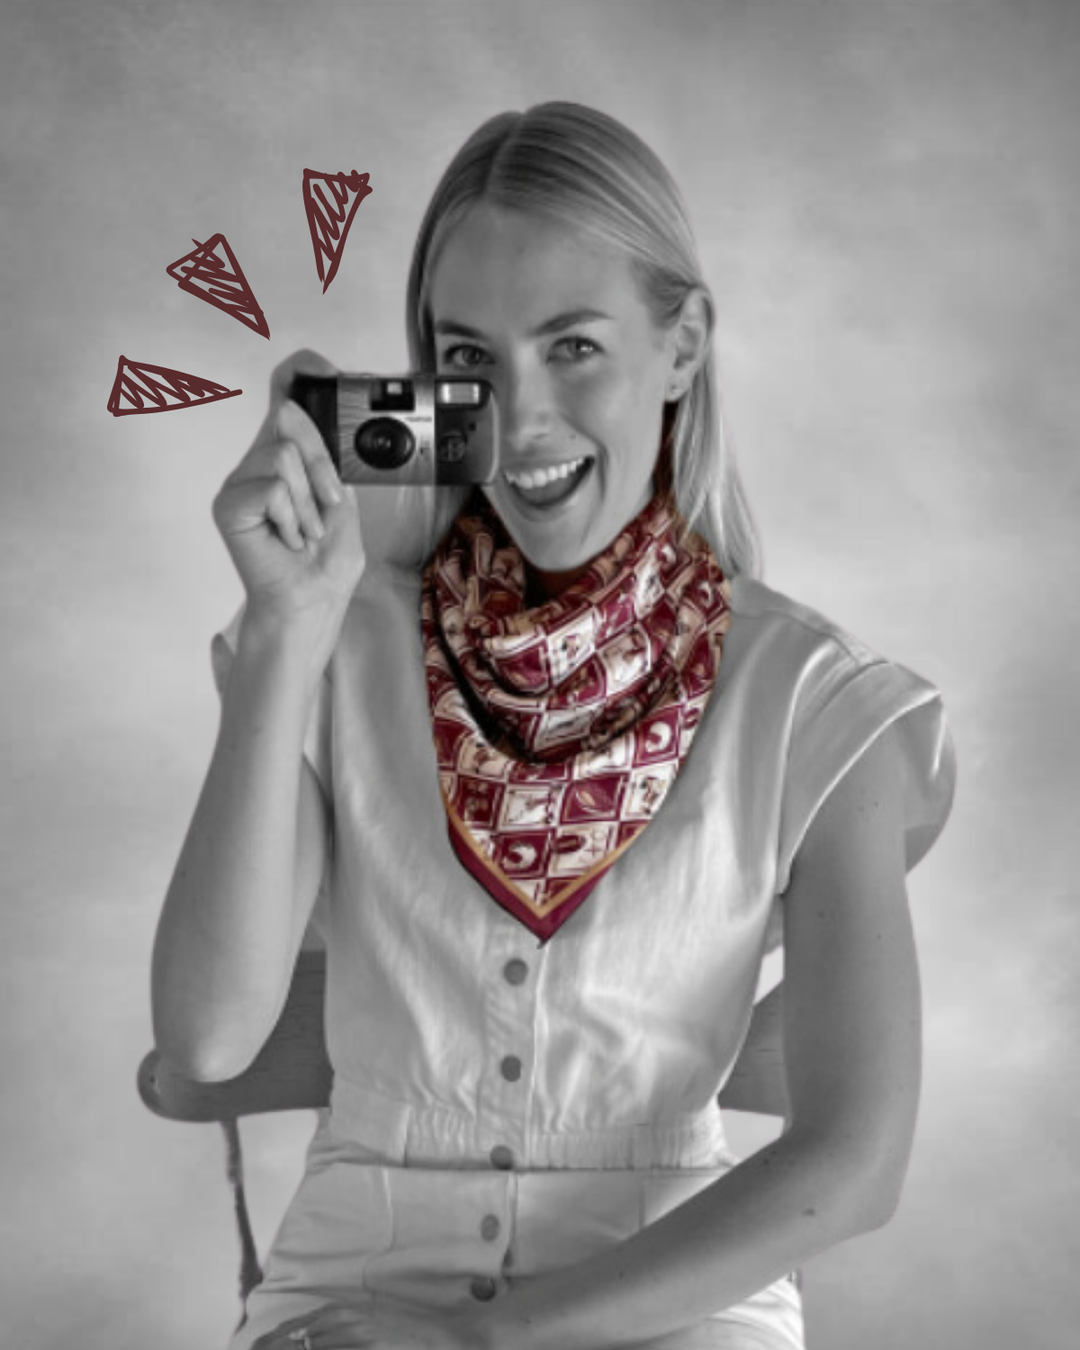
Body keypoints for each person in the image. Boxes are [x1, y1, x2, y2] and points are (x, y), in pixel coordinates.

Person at [150, 102, 956, 1350]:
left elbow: (855, 1162)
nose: (519, 419)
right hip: (350, 1296)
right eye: (469, 360)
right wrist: (285, 632)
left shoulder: (813, 696)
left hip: (675, 1300)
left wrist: (484, 1341)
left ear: (682, 344)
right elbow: (206, 1036)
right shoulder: (339, 645)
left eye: (573, 346)